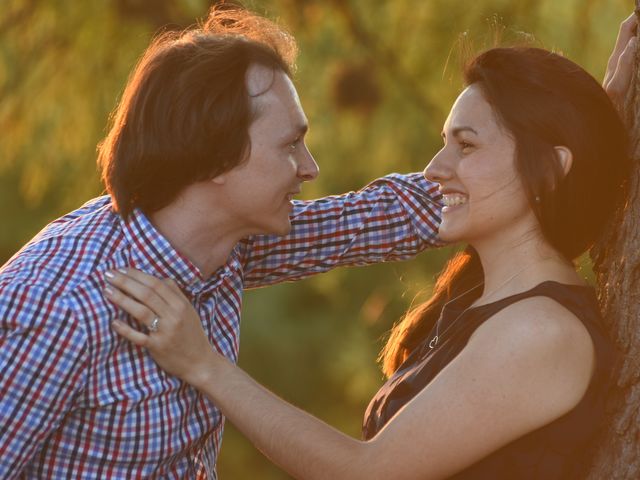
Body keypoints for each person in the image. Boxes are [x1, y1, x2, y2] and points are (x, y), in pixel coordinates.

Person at [106, 14, 637, 480]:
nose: (435, 168)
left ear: (552, 167)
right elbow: (378, 213)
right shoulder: (480, 298)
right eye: (445, 140)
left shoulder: (541, 331)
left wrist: (204, 365)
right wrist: (596, 125)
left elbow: (366, 471)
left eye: (466, 144)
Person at [0, 6, 443, 479]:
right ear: (216, 160)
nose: (309, 166)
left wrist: (515, 176)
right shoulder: (55, 305)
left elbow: (377, 219)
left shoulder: (226, 242)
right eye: (289, 144)